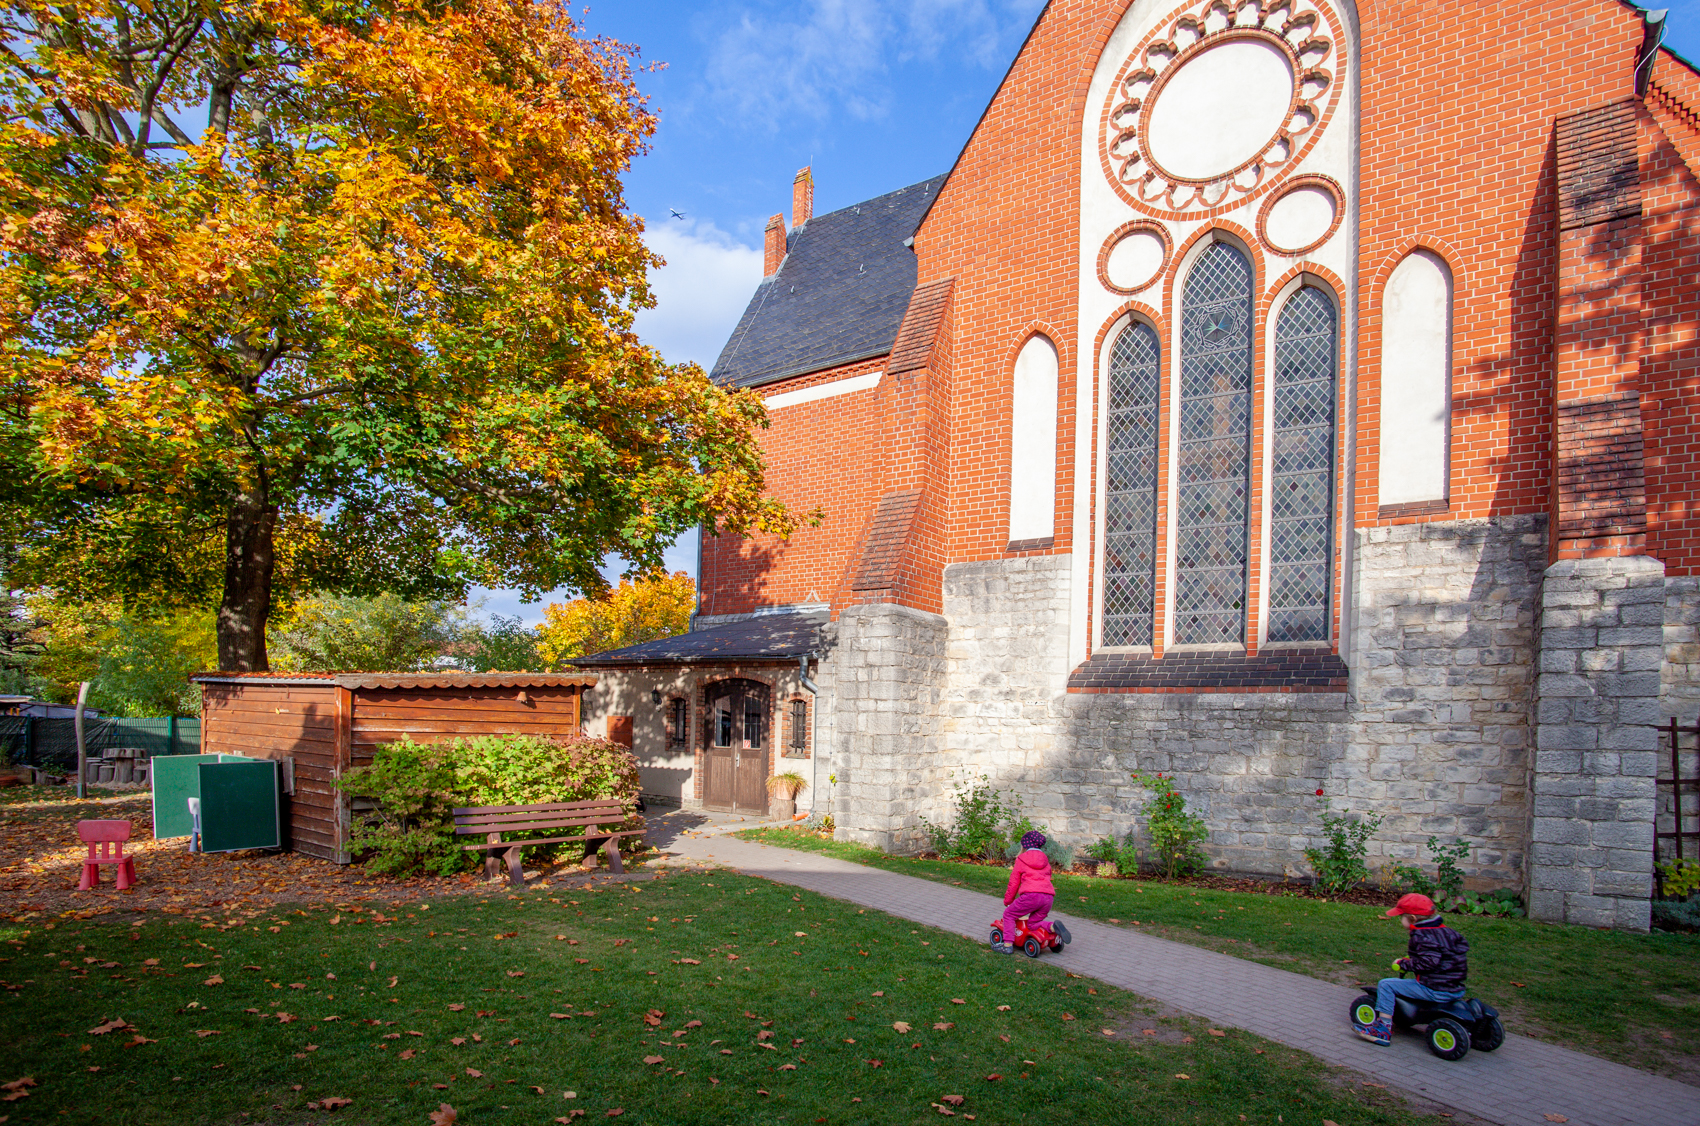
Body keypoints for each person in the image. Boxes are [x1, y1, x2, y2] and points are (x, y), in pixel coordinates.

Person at [1359, 892, 1469, 1046]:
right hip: (1455, 988)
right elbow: (1443, 956)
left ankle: (1382, 1030)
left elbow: (1429, 963)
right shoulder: (1448, 932)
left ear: (1412, 919)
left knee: (1386, 984)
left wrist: (1404, 964)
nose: (1400, 920)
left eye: (1401, 917)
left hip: (1434, 989)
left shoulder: (1421, 936)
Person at [997, 831, 1071, 954]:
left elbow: (1014, 882)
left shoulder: (1021, 859)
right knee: (1033, 923)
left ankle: (1007, 944)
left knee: (1009, 914)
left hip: (1031, 896)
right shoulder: (1045, 860)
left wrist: (1008, 900)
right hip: (1048, 898)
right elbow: (1048, 877)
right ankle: (1053, 927)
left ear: (1025, 845)